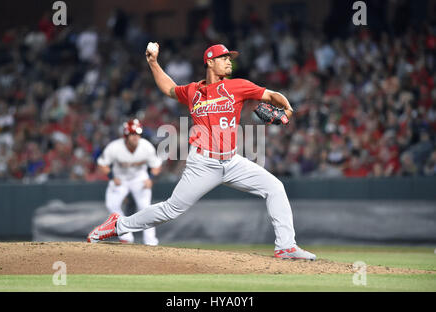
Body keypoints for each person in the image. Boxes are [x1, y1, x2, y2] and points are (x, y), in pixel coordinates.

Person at [88, 43, 316, 260]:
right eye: (224, 58)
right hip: (203, 164)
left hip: (233, 161)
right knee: (171, 210)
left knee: (275, 187)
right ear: (209, 62)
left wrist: (287, 109)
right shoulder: (193, 91)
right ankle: (118, 225)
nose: (229, 62)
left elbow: (271, 94)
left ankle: (286, 246)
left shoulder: (237, 85)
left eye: (230, 58)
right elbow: (168, 88)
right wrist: (153, 63)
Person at [93, 118, 162, 245]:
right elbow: (102, 164)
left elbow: (156, 165)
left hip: (139, 178)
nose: (135, 137)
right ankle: (126, 236)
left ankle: (151, 241)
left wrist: (150, 179)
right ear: (126, 135)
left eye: (137, 134)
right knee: (111, 205)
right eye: (132, 134)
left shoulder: (146, 146)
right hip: (120, 179)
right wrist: (112, 177)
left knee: (146, 209)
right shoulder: (114, 147)